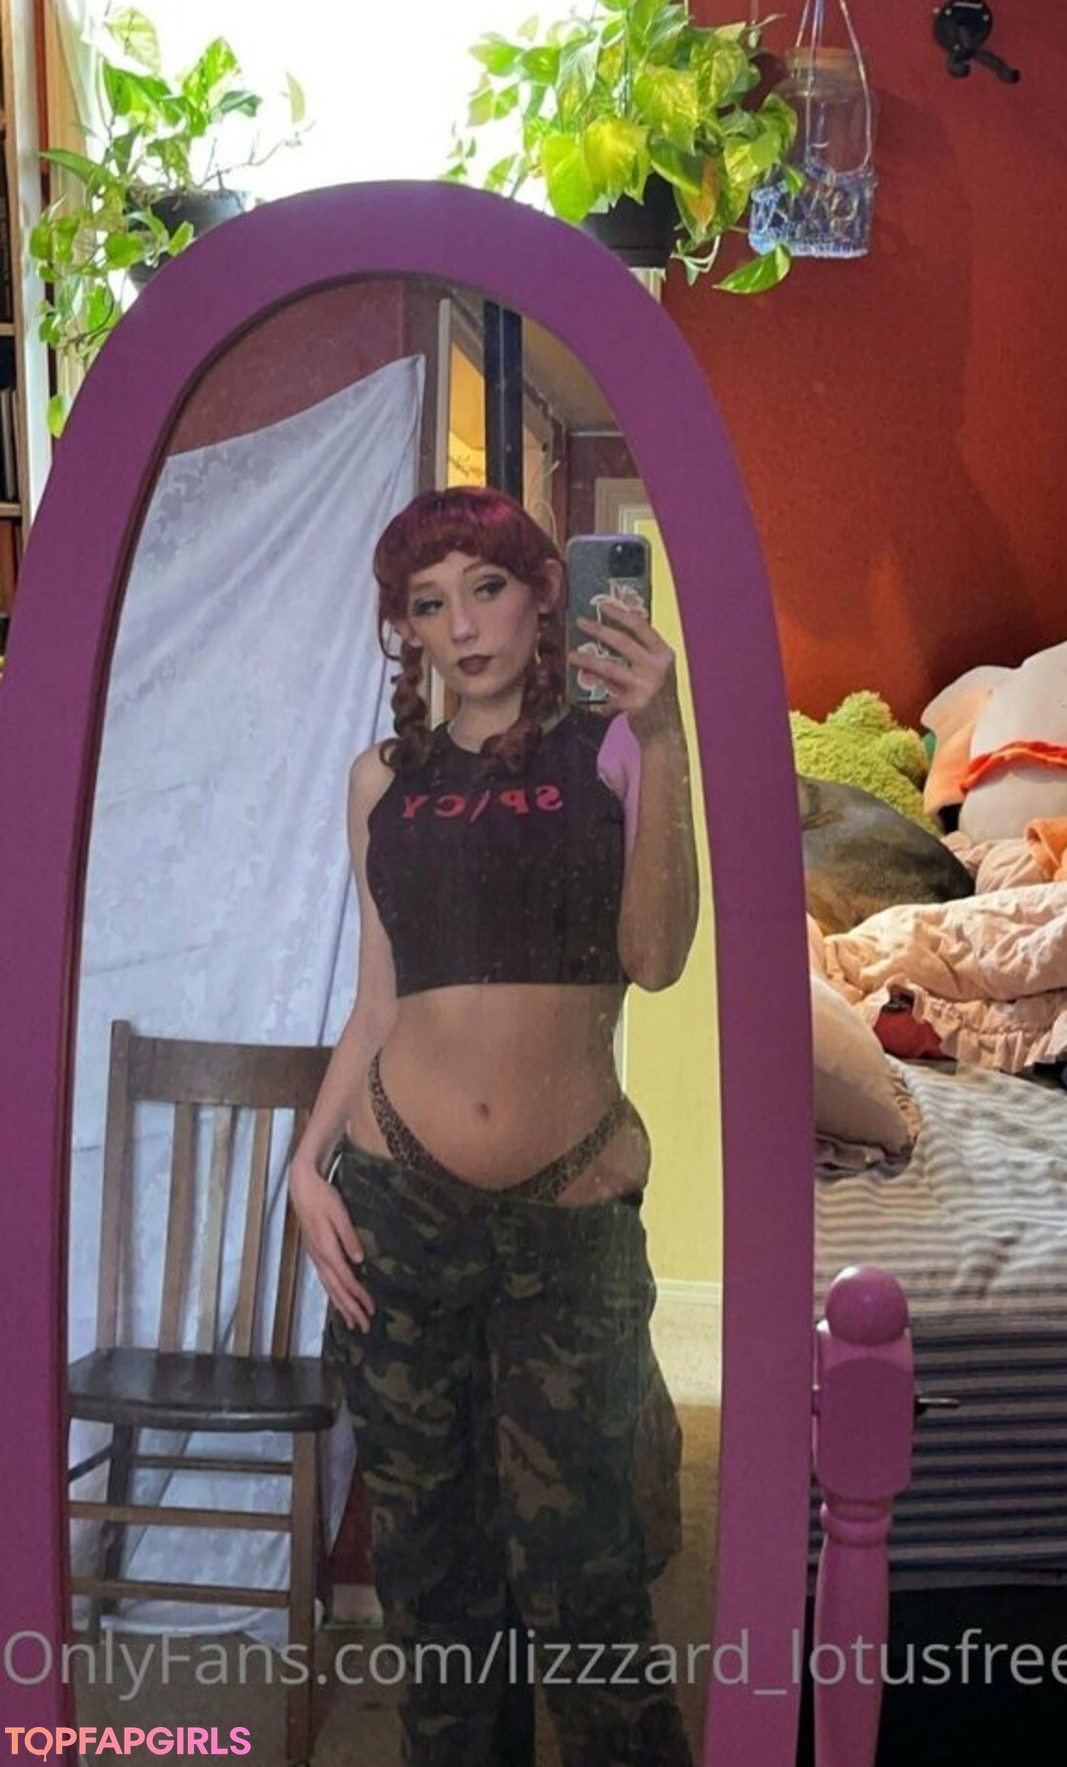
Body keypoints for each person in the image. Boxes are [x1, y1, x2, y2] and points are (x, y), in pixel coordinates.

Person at [289, 486, 699, 1765]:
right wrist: (304, 1166)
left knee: (586, 1576)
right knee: (436, 1581)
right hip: (398, 1205)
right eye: (429, 603)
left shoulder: (613, 747)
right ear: (405, 629)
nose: (462, 627)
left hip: (568, 1212)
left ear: (543, 595)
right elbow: (379, 1000)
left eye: (486, 588)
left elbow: (656, 958)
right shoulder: (382, 780)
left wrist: (666, 734)